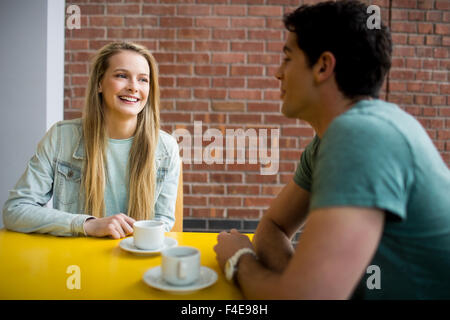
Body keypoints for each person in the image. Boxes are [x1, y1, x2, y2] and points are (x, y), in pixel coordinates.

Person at [214, 0, 450, 299]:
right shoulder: (331, 140)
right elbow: (272, 226)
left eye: (287, 59)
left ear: (323, 66)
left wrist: (239, 262)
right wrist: (296, 284)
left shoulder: (362, 135)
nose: (277, 73)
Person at [3, 41, 180, 238]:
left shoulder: (166, 148)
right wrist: (87, 225)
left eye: (143, 80)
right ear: (99, 83)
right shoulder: (61, 138)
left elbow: (162, 224)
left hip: (133, 259)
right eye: (122, 76)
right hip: (74, 261)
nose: (133, 87)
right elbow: (15, 210)